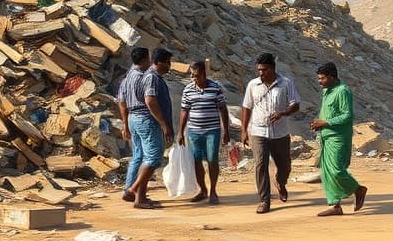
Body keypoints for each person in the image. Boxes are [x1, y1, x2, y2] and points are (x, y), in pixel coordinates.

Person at [240, 52, 300, 214]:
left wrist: (284, 113)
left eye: (265, 69)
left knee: (285, 166)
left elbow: (296, 104)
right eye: (259, 70)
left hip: (280, 132)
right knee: (260, 164)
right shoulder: (253, 85)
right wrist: (244, 130)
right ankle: (264, 200)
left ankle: (280, 183)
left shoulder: (286, 83)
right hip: (258, 130)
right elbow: (247, 107)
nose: (261, 73)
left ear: (273, 68)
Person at [310, 62, 367, 216]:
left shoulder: (343, 91)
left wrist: (326, 122)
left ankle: (358, 189)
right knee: (326, 172)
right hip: (325, 137)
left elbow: (347, 116)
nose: (319, 81)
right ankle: (335, 205)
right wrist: (319, 124)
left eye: (322, 78)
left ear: (332, 77)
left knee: (336, 171)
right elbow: (328, 113)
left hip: (339, 138)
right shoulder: (327, 91)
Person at [128, 48, 174, 209]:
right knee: (153, 158)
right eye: (167, 63)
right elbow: (150, 101)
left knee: (146, 157)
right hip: (147, 121)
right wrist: (163, 124)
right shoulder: (152, 77)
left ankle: (140, 197)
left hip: (138, 119)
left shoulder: (148, 76)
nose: (169, 66)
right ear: (158, 62)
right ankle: (134, 189)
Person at [177, 61, 230, 204]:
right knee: (197, 161)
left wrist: (226, 130)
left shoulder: (215, 88)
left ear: (204, 74)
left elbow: (223, 109)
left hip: (212, 130)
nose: (195, 79)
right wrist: (180, 132)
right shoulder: (188, 90)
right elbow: (184, 110)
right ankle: (203, 190)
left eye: (197, 76)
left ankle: (213, 190)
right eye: (192, 76)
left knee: (212, 160)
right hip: (193, 131)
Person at [117, 47, 151, 202]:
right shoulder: (142, 78)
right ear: (144, 59)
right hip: (143, 118)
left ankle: (129, 188)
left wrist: (125, 124)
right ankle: (135, 190)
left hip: (131, 119)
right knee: (149, 157)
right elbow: (150, 100)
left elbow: (122, 103)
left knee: (137, 155)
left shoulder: (126, 80)